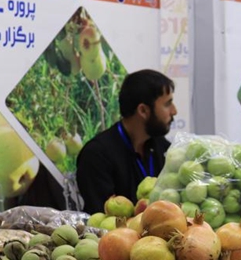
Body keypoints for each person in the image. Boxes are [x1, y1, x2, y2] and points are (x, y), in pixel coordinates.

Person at [76, 69, 177, 214]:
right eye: (168, 104)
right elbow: (102, 219)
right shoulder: (96, 155)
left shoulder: (161, 147)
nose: (174, 111)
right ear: (143, 111)